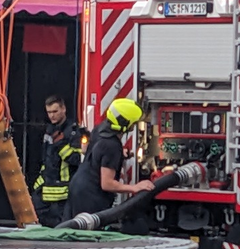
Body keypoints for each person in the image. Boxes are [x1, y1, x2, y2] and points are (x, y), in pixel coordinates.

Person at [64, 98, 154, 219]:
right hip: (91, 197)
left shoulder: (99, 129)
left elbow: (90, 151)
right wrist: (134, 188)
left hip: (78, 187)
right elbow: (107, 184)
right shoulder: (112, 146)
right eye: (135, 122)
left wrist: (120, 155)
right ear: (126, 123)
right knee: (87, 234)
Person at [32, 95, 82, 227]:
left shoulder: (73, 132)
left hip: (63, 190)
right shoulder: (49, 130)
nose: (52, 116)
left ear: (63, 109)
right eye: (49, 112)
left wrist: (60, 144)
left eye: (55, 111)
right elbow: (46, 158)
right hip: (45, 185)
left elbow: (77, 160)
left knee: (60, 225)